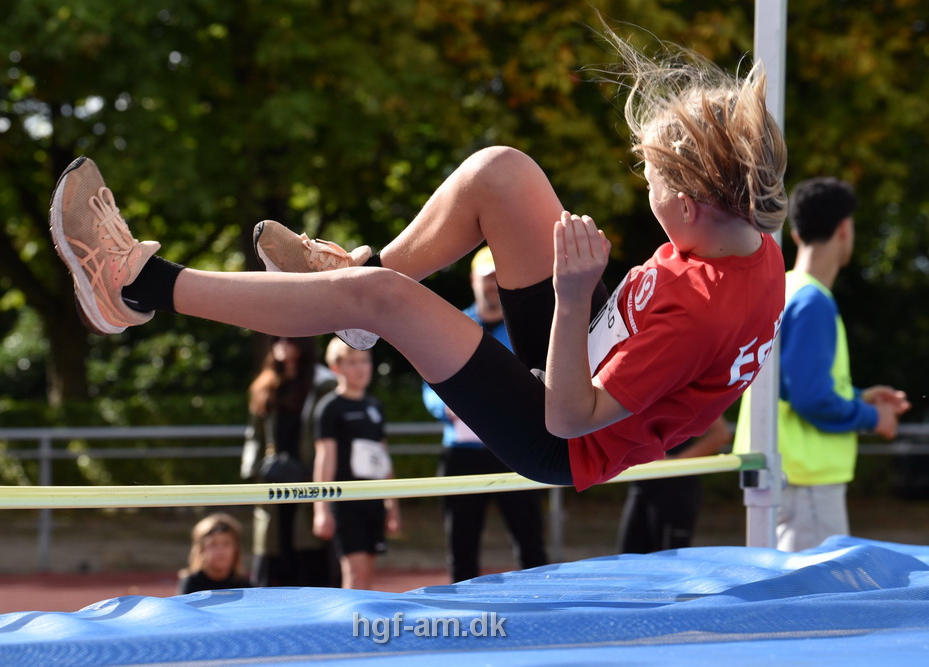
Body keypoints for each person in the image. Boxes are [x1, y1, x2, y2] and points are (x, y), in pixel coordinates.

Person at [48, 24, 788, 496]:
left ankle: (136, 285)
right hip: (591, 347)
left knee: (379, 297)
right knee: (502, 172)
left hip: (561, 427)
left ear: (692, 205)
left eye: (651, 180)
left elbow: (569, 418)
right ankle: (346, 282)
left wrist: (570, 297)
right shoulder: (742, 238)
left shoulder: (699, 314)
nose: (643, 187)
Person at [734, 177, 910, 552]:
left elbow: (791, 386)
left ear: (796, 233)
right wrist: (873, 417)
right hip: (805, 481)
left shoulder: (784, 289)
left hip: (777, 473)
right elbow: (811, 398)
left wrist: (859, 396)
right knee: (812, 589)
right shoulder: (814, 301)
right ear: (845, 229)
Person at [423, 246, 548, 581]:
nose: (492, 285)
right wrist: (443, 406)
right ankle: (462, 608)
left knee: (529, 538)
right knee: (461, 542)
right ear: (472, 281)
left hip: (516, 449)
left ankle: (544, 601)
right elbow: (428, 382)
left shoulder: (522, 327)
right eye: (486, 278)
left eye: (497, 278)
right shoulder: (452, 324)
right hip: (462, 452)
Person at [241, 336, 339, 587]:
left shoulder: (323, 384)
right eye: (276, 339)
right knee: (274, 548)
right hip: (274, 480)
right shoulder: (265, 385)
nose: (282, 344)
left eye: (289, 339)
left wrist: (317, 473)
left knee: (309, 552)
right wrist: (255, 471)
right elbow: (255, 435)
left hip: (310, 478)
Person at [312, 338, 400, 589]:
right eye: (352, 363)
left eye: (364, 361)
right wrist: (321, 509)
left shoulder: (374, 406)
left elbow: (382, 456)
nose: (360, 368)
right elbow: (325, 458)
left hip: (374, 500)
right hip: (346, 501)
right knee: (354, 575)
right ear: (336, 368)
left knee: (368, 576)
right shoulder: (329, 408)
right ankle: (349, 616)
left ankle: (364, 617)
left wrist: (392, 506)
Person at [616, 415, 731, 554]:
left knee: (668, 557)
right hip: (641, 483)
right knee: (630, 556)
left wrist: (676, 462)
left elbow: (721, 434)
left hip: (674, 487)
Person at [176, 512, 252, 594]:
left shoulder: (244, 586)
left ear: (236, 549)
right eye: (213, 544)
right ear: (201, 550)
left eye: (226, 544)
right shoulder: (191, 584)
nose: (220, 551)